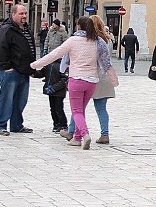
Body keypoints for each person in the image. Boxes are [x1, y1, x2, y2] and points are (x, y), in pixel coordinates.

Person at [31, 16, 119, 150]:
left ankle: (85, 134)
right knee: (81, 110)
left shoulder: (73, 40)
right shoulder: (97, 41)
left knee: (77, 111)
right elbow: (107, 63)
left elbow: (54, 55)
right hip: (92, 81)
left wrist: (34, 65)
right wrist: (114, 80)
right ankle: (76, 139)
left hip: (76, 79)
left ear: (78, 26)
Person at [61, 16, 117, 145]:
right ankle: (105, 134)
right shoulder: (107, 39)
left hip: (89, 76)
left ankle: (72, 131)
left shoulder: (90, 40)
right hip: (104, 78)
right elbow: (107, 61)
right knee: (101, 108)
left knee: (78, 108)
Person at [0, 4, 38, 136]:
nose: (24, 16)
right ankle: (0, 126)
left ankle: (17, 125)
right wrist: (7, 67)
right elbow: (0, 48)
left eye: (25, 13)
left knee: (20, 100)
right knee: (6, 99)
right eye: (21, 14)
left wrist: (32, 67)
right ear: (13, 14)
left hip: (25, 70)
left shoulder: (26, 29)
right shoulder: (7, 29)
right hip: (11, 71)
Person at [42, 57, 69, 133]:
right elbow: (43, 73)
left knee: (58, 108)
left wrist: (54, 88)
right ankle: (56, 124)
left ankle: (63, 125)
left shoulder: (63, 65)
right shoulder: (49, 64)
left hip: (59, 92)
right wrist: (33, 73)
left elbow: (64, 80)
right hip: (50, 90)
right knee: (52, 109)